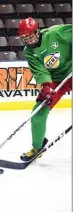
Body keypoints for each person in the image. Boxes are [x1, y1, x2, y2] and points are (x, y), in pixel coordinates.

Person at [18, 18, 72, 161]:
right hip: (55, 79)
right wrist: (46, 86)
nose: (28, 41)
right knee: (38, 112)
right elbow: (40, 71)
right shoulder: (29, 51)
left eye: (30, 36)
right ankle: (38, 146)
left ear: (37, 31)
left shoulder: (57, 33)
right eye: (24, 38)